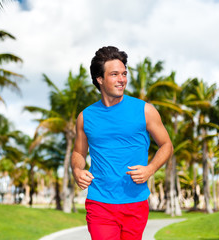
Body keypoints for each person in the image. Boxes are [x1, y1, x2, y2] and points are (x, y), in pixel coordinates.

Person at [71, 46, 173, 240]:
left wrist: (150, 169)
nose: (122, 79)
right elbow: (78, 153)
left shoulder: (145, 110)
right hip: (100, 202)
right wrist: (77, 170)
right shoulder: (85, 117)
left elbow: (166, 145)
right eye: (115, 74)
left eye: (124, 73)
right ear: (100, 79)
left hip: (135, 202)